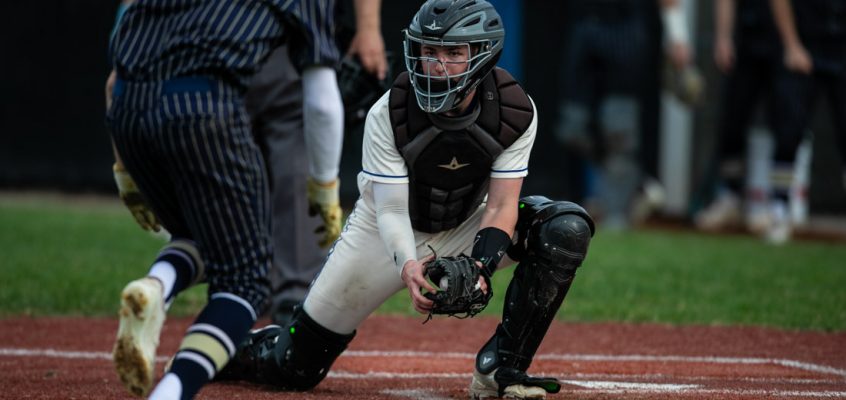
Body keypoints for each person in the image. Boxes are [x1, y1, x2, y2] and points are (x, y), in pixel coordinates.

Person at [216, 1, 595, 399]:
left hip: (467, 221)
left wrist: (480, 267)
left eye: (453, 53)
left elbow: (501, 207)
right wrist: (408, 264)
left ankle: (501, 368)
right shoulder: (391, 110)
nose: (437, 65)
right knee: (294, 367)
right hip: (383, 231)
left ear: (482, 55)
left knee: (563, 229)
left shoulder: (515, 111)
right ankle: (229, 349)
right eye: (429, 51)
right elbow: (391, 209)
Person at [104, 0, 344, 398]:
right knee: (245, 281)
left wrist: (125, 172)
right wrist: (324, 187)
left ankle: (157, 284)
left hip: (128, 110)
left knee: (199, 234)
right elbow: (320, 99)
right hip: (202, 108)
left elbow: (114, 81)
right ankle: (172, 392)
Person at [247, 0, 388, 327]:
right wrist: (326, 189)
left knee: (231, 162)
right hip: (292, 29)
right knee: (298, 148)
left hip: (211, 36)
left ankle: (235, 288)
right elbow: (322, 109)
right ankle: (294, 297)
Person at [553, 0, 692, 230]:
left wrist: (678, 35)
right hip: (585, 24)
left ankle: (616, 216)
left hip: (625, 28)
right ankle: (630, 183)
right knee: (572, 127)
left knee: (619, 130)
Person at [693, 0, 783, 233]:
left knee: (786, 125)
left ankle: (779, 205)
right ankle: (730, 194)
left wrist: (793, 42)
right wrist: (723, 37)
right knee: (732, 122)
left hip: (789, 39)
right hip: (748, 37)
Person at [767, 0, 846, 243]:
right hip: (804, 44)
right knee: (789, 131)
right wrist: (791, 45)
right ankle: (779, 210)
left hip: (840, 47)